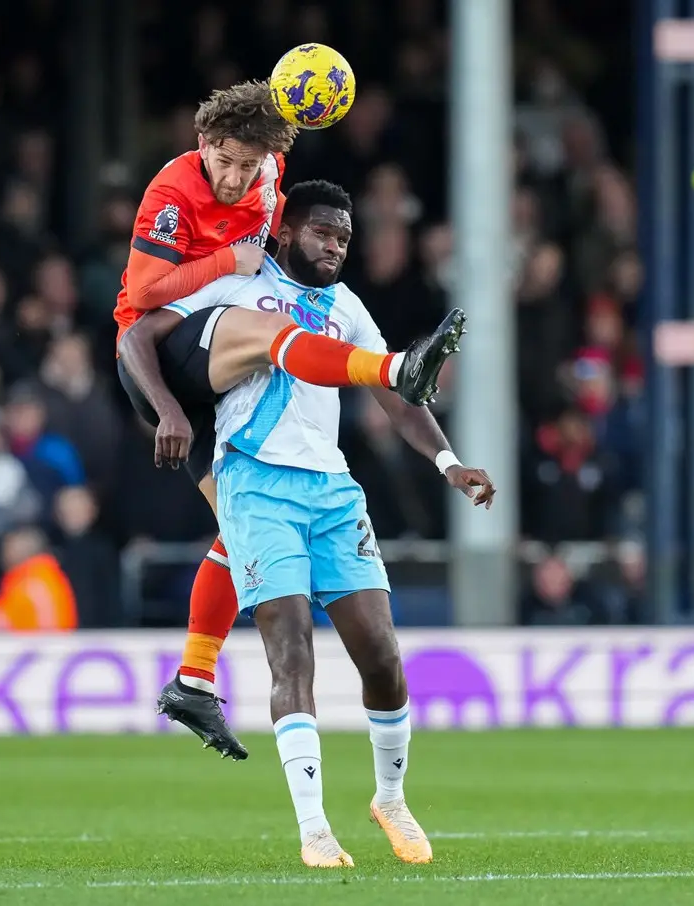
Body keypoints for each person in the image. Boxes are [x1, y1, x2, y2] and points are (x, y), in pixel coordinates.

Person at [152, 180, 496, 867]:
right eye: (322, 233)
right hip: (254, 480)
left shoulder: (345, 307)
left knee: (383, 660)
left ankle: (389, 798)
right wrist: (163, 405)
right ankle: (313, 829)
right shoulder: (237, 285)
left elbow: (397, 396)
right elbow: (146, 330)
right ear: (284, 232)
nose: (335, 247)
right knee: (291, 651)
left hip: (334, 492)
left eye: (343, 238)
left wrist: (449, 463)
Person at [115, 82, 456, 759]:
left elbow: (284, 214)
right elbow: (139, 298)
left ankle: (191, 677)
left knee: (237, 525)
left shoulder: (268, 173)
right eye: (227, 164)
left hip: (219, 356)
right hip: (159, 353)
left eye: (252, 165)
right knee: (271, 328)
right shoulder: (171, 192)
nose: (238, 179)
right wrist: (222, 268)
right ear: (202, 144)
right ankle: (390, 368)